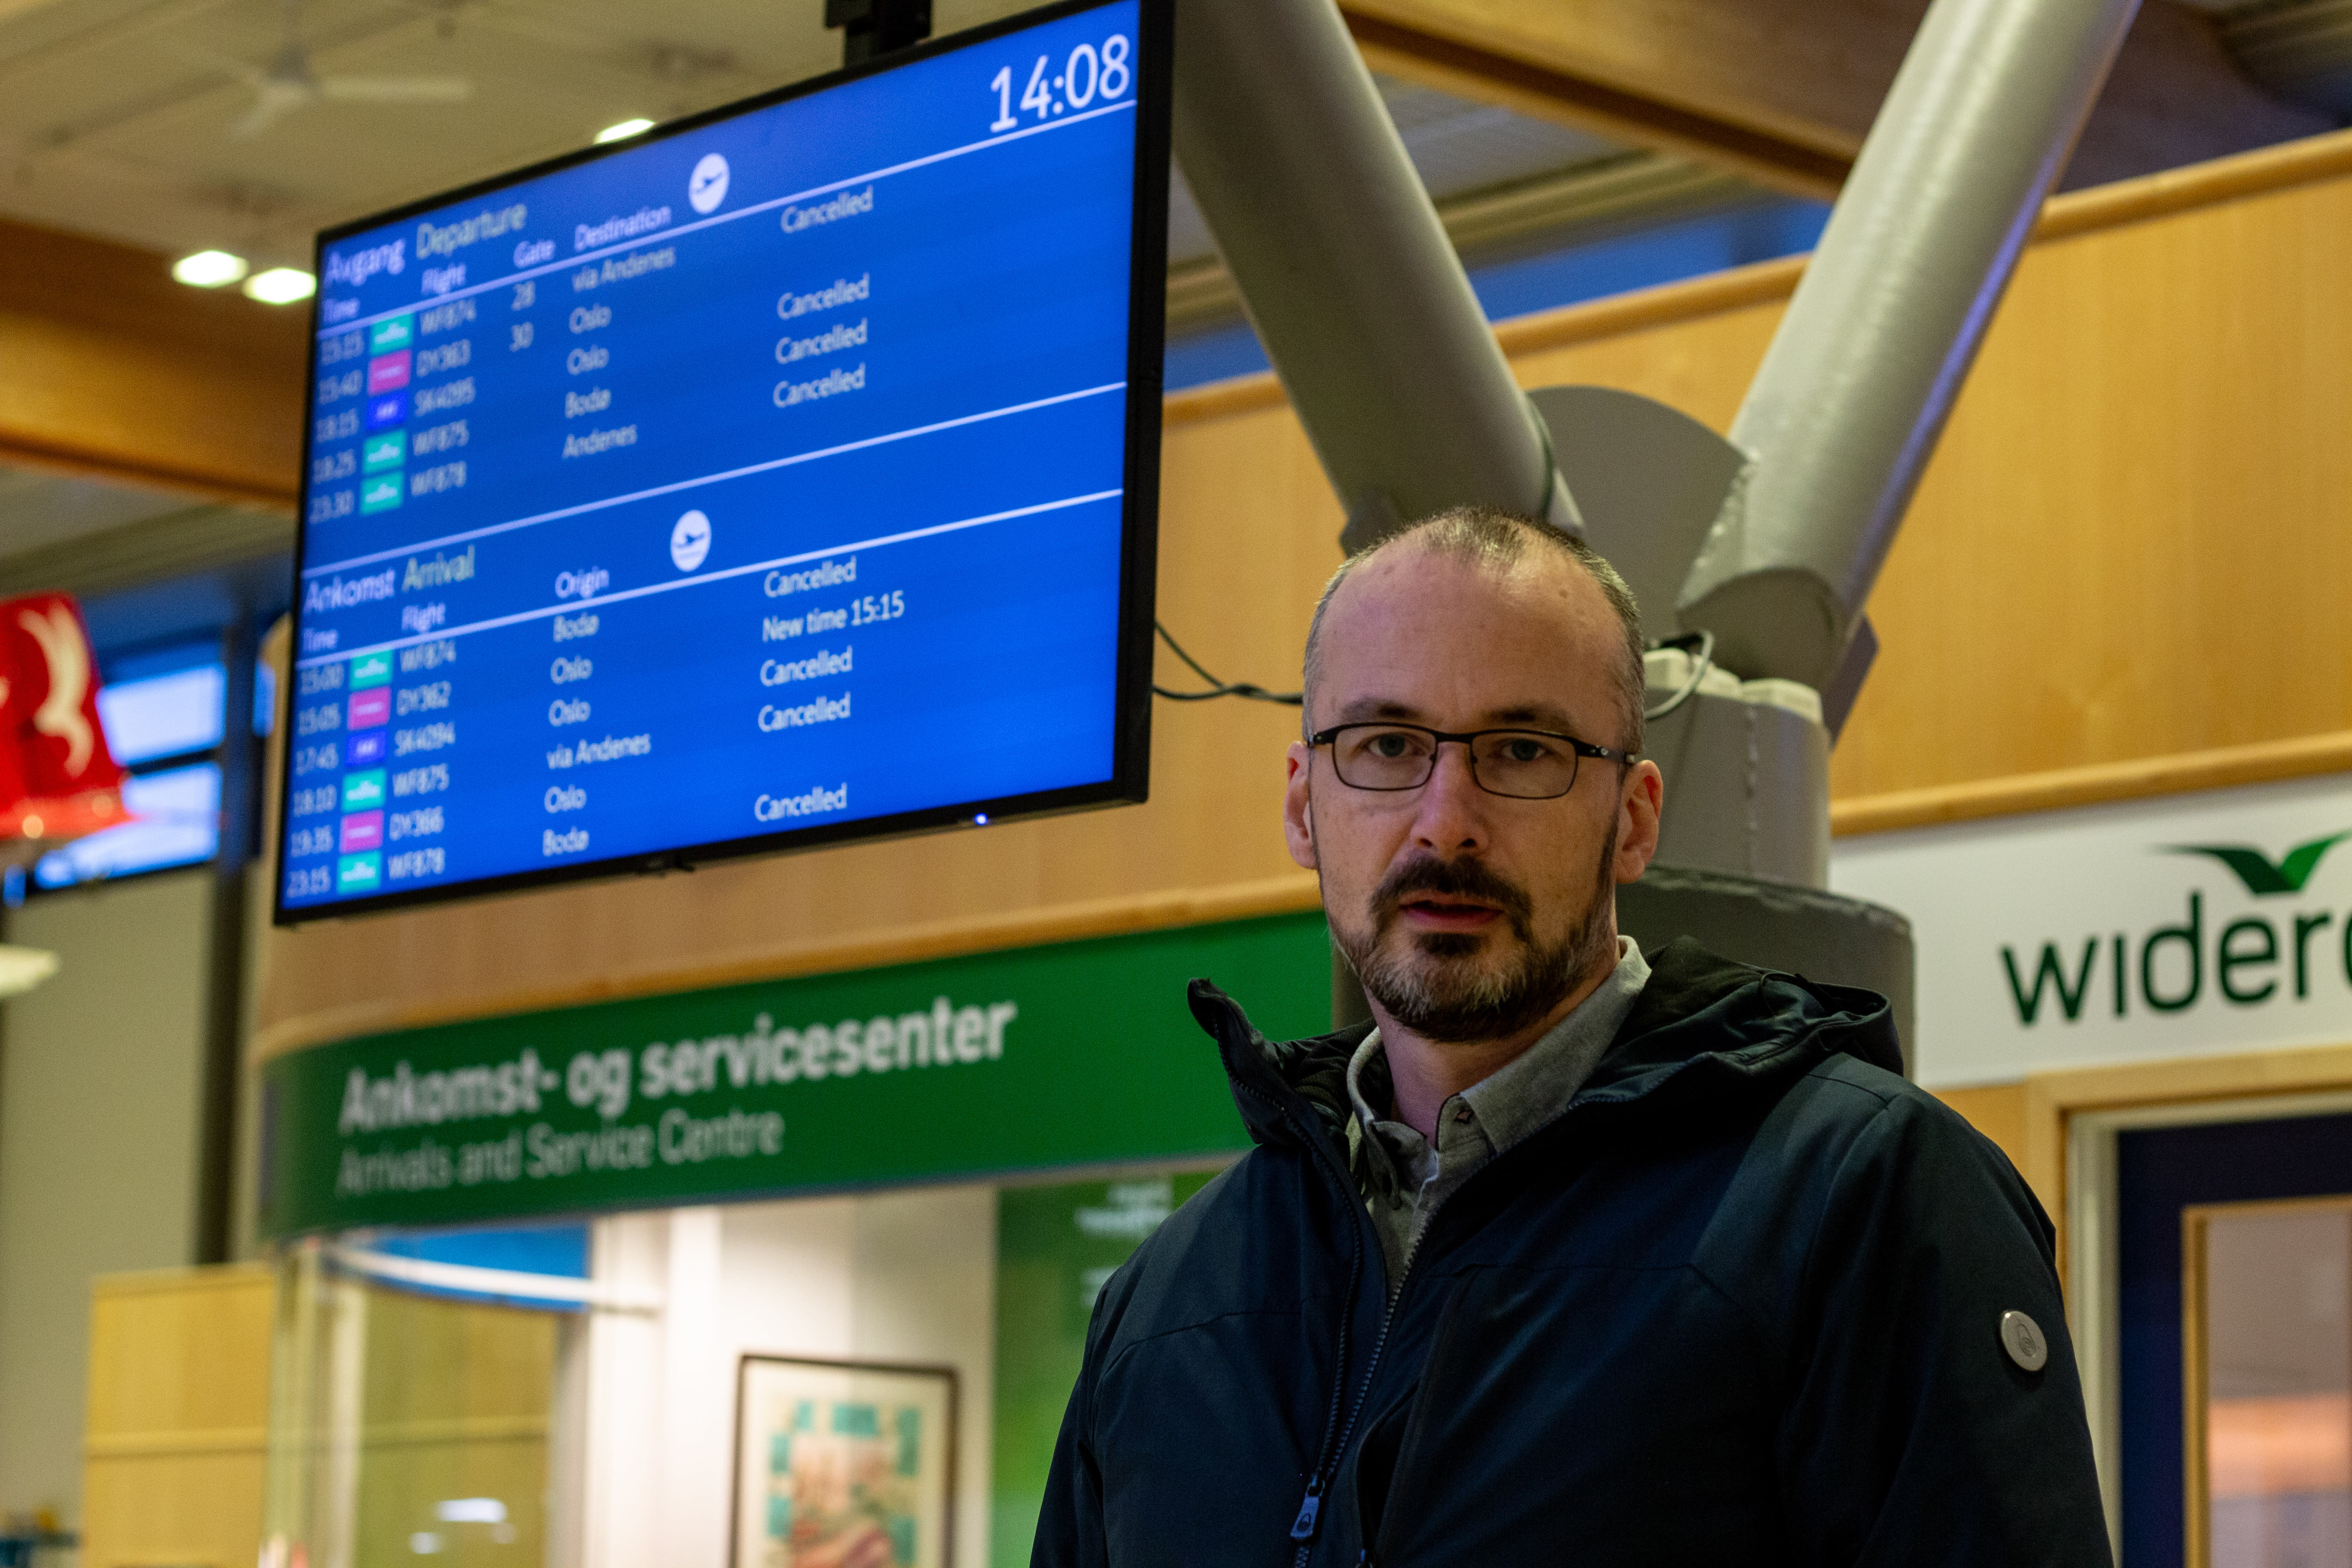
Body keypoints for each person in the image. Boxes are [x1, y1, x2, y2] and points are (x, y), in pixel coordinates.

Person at [1032, 506, 2111, 1566]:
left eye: (1521, 750)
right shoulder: (1166, 1302)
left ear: (1634, 818)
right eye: (1387, 745)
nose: (1446, 821)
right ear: (1303, 806)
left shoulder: (1862, 1199)